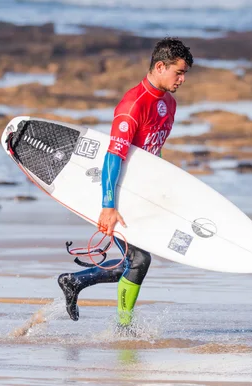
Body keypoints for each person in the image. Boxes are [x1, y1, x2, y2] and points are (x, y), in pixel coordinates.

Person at [57, 38, 193, 327]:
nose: (181, 80)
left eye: (184, 74)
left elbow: (152, 153)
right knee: (140, 261)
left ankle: (74, 281)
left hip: (142, 193)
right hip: (118, 192)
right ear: (160, 66)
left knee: (134, 262)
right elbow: (113, 156)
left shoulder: (168, 104)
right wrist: (108, 206)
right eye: (178, 73)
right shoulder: (133, 105)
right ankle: (123, 327)